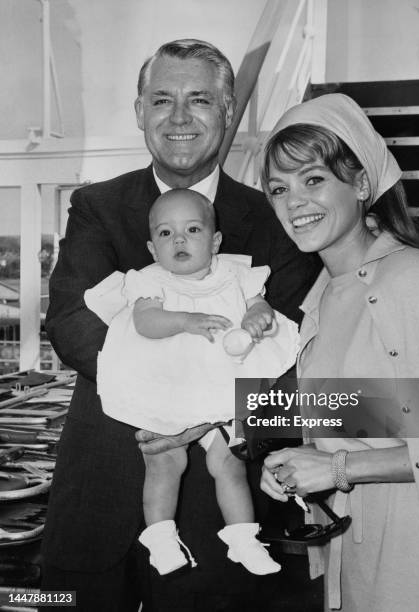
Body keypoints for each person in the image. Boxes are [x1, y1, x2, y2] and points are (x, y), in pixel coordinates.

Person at [42, 39, 322, 612]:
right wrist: (159, 394)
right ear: (140, 110)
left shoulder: (277, 219)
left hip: (219, 512)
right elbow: (71, 321)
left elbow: (291, 357)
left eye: (199, 99)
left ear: (228, 110)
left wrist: (201, 414)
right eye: (161, 99)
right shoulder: (98, 206)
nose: (178, 117)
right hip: (98, 494)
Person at [259, 93, 419, 612]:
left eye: (313, 179)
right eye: (278, 188)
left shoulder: (410, 280)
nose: (293, 202)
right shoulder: (324, 295)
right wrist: (298, 462)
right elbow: (384, 415)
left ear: (361, 183)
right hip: (359, 548)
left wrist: (337, 468)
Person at [84, 188, 300, 577]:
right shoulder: (150, 281)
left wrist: (259, 315)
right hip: (169, 388)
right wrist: (185, 320)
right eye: (165, 234)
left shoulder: (236, 274)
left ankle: (243, 540)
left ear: (215, 240)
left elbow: (259, 304)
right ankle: (161, 538)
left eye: (192, 230)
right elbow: (145, 322)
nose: (179, 240)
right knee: (164, 461)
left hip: (220, 388)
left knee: (229, 462)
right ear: (152, 248)